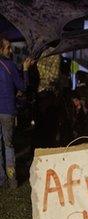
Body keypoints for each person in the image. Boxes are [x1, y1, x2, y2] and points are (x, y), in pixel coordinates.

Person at [0, 36, 32, 188]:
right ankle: (12, 181)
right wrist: (25, 70)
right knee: (8, 146)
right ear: (1, 49)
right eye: (8, 47)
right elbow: (23, 87)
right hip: (7, 110)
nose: (11, 50)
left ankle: (1, 180)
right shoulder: (10, 65)